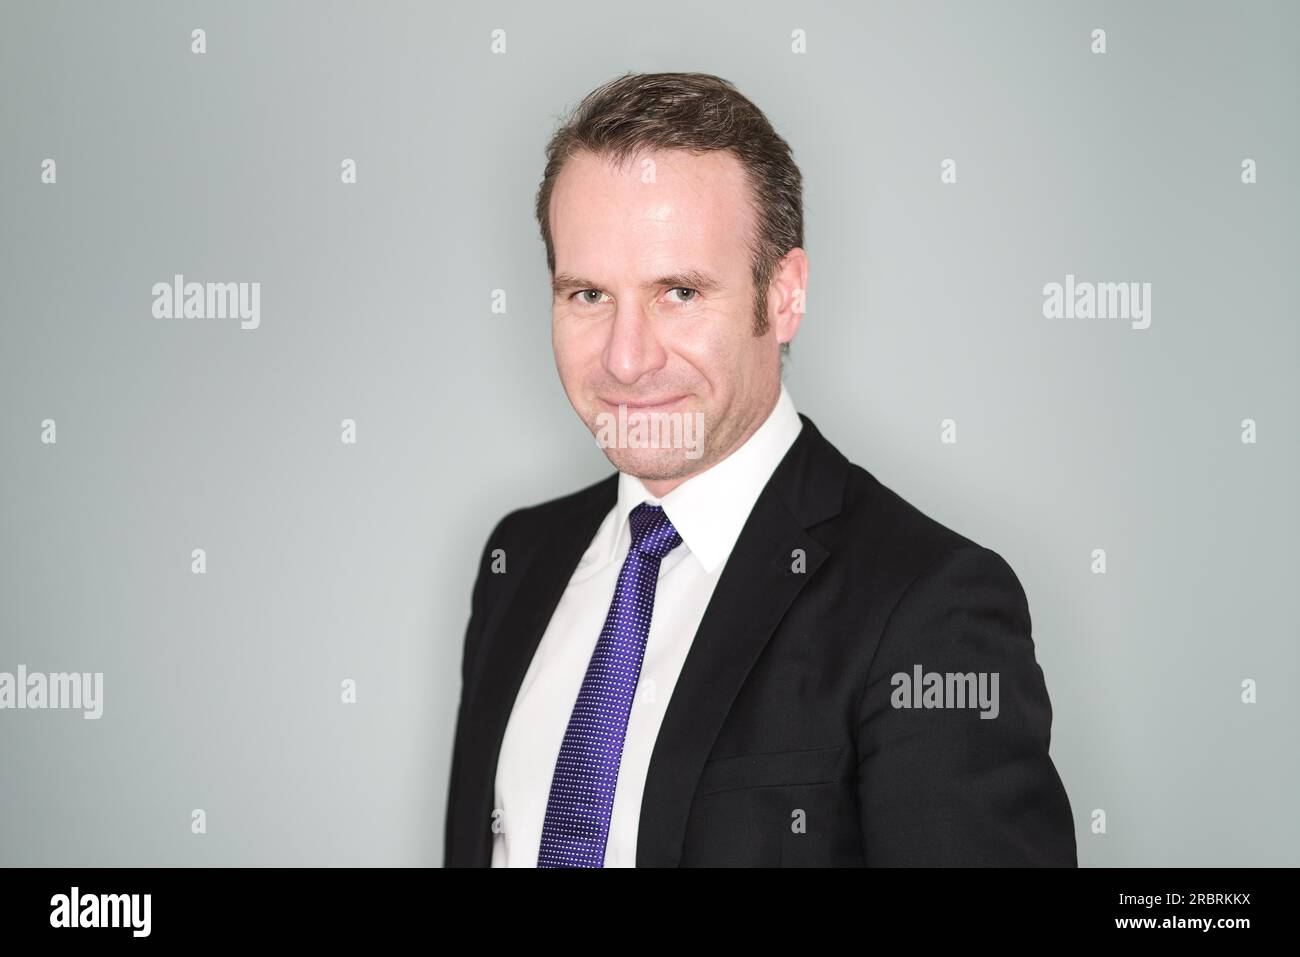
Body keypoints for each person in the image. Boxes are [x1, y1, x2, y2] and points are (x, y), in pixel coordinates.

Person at [444, 72, 1076, 867]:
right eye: (588, 294)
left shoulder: (931, 610)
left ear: (783, 296)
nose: (626, 357)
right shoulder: (519, 561)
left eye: (678, 291)